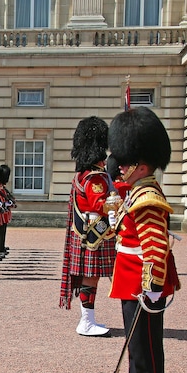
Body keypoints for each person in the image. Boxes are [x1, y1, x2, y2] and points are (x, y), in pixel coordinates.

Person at [107, 106, 180, 373]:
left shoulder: (148, 197)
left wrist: (152, 285)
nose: (121, 167)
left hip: (141, 279)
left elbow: (155, 246)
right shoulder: (136, 192)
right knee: (136, 341)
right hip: (129, 276)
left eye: (126, 161)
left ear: (141, 164)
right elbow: (125, 233)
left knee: (144, 341)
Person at [59, 117, 116, 337]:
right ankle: (87, 321)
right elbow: (99, 204)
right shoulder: (95, 177)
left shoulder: (83, 174)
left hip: (88, 231)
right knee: (90, 277)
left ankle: (88, 320)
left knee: (89, 277)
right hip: (96, 233)